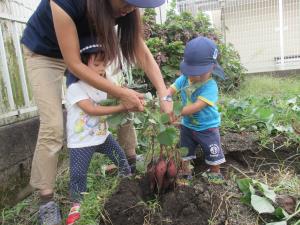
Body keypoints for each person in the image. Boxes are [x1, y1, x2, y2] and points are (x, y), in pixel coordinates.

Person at [21, 0, 172, 224]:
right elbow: (73, 63)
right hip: (46, 53)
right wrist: (121, 93)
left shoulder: (126, 6)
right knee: (52, 126)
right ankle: (46, 200)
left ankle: (129, 159)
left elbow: (138, 47)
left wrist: (163, 93)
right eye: (127, 1)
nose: (131, 8)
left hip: (87, 53)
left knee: (124, 100)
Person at [65, 38, 131, 225]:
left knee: (120, 158)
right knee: (78, 175)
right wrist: (121, 107)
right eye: (97, 64)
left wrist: (131, 95)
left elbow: (116, 93)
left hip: (102, 136)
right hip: (81, 141)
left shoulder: (102, 84)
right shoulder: (75, 87)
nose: (102, 68)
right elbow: (91, 110)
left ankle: (127, 185)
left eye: (105, 64)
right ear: (82, 63)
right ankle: (77, 206)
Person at [167, 36, 226, 184]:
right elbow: (172, 89)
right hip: (187, 125)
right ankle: (185, 171)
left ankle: (215, 173)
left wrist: (177, 112)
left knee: (213, 151)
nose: (194, 75)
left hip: (207, 127)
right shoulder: (185, 78)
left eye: (199, 72)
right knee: (185, 149)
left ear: (212, 67)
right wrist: (166, 97)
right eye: (191, 71)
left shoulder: (210, 86)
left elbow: (197, 106)